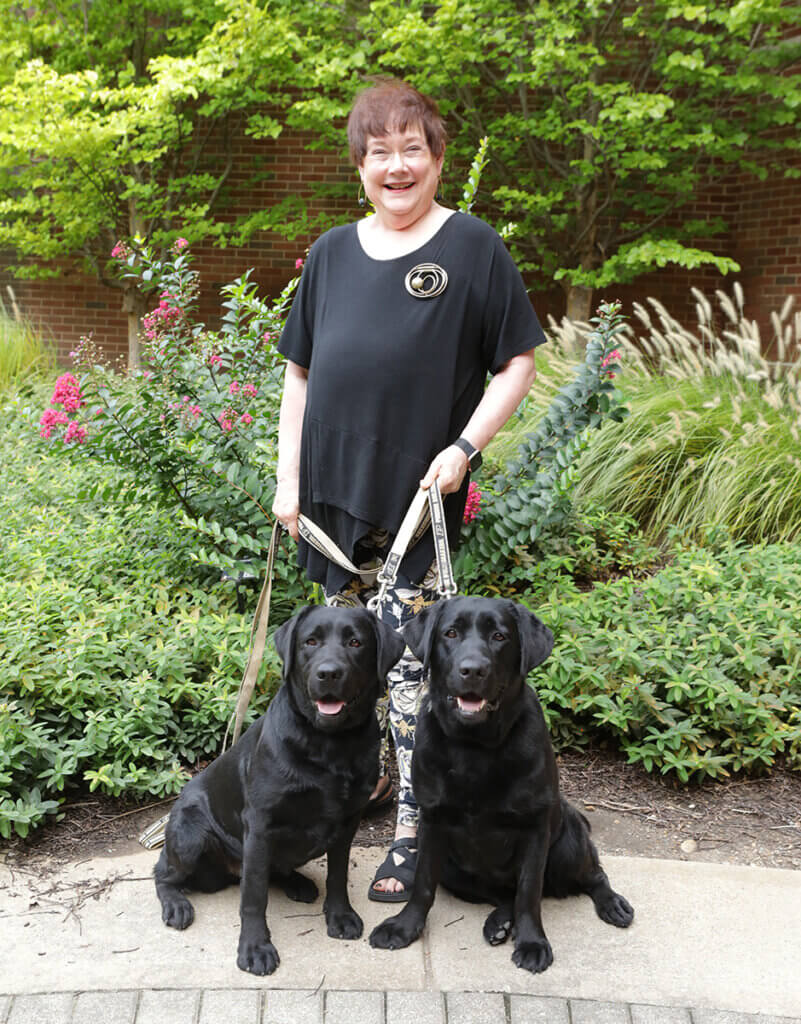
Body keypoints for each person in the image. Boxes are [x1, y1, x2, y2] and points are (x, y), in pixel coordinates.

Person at [272, 79, 547, 900]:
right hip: (329, 505)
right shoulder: (329, 253)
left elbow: (518, 362)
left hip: (416, 505)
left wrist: (465, 445)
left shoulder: (470, 248)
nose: (396, 167)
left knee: (410, 682)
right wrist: (287, 480)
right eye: (379, 153)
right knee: (341, 667)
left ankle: (409, 841)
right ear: (360, 165)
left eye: (411, 150)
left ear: (436, 158)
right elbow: (299, 375)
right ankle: (363, 795)